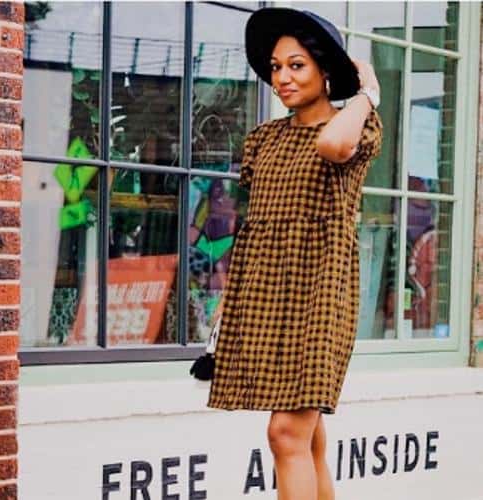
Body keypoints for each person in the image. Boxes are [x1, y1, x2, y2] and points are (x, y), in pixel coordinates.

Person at [207, 7, 383, 500]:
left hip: (319, 293)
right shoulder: (263, 140)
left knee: (284, 433)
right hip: (265, 291)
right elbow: (255, 226)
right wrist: (230, 302)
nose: (281, 77)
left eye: (296, 65)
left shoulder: (357, 127)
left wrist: (366, 94)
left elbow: (332, 144)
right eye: (275, 66)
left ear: (325, 69)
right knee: (308, 439)